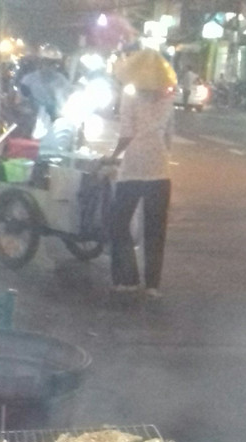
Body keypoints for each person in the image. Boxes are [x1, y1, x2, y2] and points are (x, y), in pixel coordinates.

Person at [106, 49, 176, 298]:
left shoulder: (129, 96)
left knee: (118, 223)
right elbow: (169, 135)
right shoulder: (168, 99)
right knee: (156, 229)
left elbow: (126, 134)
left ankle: (127, 279)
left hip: (134, 167)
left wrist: (113, 156)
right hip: (160, 170)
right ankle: (152, 285)